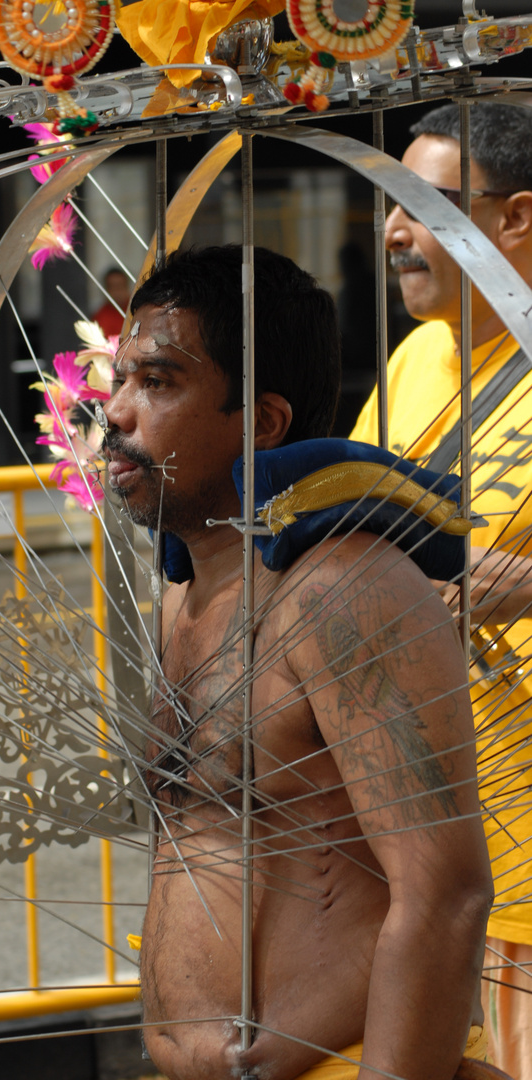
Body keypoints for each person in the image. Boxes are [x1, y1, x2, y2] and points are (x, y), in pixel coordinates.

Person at [102, 245, 493, 1080]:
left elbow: (445, 894)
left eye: (159, 383)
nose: (117, 415)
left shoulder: (343, 589)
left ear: (265, 422)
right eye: (118, 381)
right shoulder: (188, 588)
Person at [351, 102, 532, 1080]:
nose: (393, 229)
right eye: (390, 201)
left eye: (423, 203)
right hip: (445, 847)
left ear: (516, 220)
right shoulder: (419, 357)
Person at [91, 267, 131, 338]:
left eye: (120, 286)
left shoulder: (137, 310)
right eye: (113, 287)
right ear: (106, 290)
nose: (117, 291)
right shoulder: (100, 317)